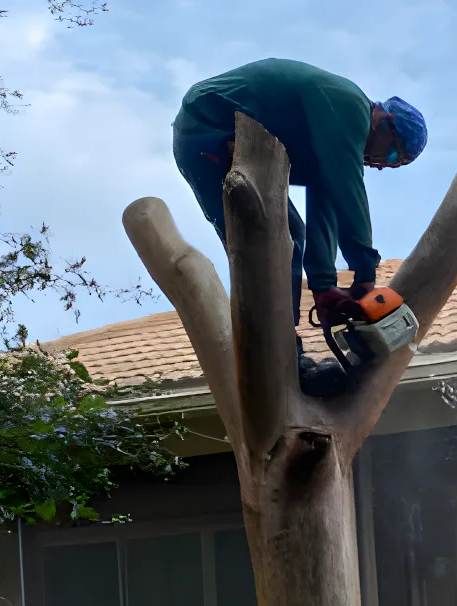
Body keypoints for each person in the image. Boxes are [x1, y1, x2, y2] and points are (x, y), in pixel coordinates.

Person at [172, 58, 427, 398]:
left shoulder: (335, 132)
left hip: (216, 131)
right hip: (208, 123)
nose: (380, 166)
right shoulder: (351, 106)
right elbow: (347, 192)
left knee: (285, 235)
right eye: (393, 156)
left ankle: (282, 355)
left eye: (393, 166)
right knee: (266, 243)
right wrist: (365, 275)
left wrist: (324, 288)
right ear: (385, 122)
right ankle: (278, 359)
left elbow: (328, 203)